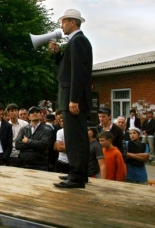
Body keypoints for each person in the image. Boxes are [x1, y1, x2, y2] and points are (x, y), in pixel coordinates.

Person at [50, 9, 93, 189]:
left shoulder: (78, 41)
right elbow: (66, 69)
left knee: (75, 139)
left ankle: (76, 176)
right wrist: (57, 54)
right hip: (70, 97)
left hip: (72, 98)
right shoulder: (74, 42)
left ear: (72, 22)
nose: (61, 25)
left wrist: (74, 99)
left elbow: (79, 72)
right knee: (74, 137)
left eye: (63, 22)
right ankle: (77, 174)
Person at [15, 106, 51, 171]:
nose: (35, 113)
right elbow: (17, 145)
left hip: (40, 165)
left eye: (37, 112)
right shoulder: (23, 129)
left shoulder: (46, 130)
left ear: (41, 115)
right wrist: (35, 146)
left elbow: (43, 145)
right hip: (24, 164)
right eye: (32, 112)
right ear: (28, 117)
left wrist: (27, 141)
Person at [6, 103, 28, 167]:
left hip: (23, 153)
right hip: (11, 154)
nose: (14, 113)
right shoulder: (6, 125)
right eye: (12, 111)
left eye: (16, 110)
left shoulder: (25, 124)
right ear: (8, 113)